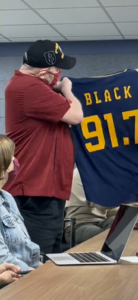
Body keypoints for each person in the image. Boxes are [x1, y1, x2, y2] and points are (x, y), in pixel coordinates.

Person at [4, 40, 83, 254]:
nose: (59, 74)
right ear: (43, 72)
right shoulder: (28, 87)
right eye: (57, 69)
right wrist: (67, 90)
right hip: (35, 190)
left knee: (52, 257)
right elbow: (76, 116)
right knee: (40, 261)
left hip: (46, 189)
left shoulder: (34, 87)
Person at [0, 135, 41, 270]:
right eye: (12, 158)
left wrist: (40, 268)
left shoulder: (7, 198)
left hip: (26, 273)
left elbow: (24, 246)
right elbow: (3, 258)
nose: (15, 162)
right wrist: (33, 273)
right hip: (16, 279)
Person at [64, 167, 118, 245]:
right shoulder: (82, 174)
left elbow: (110, 210)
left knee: (121, 225)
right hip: (77, 225)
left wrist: (133, 211)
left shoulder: (101, 174)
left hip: (100, 221)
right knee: (105, 236)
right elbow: (100, 203)